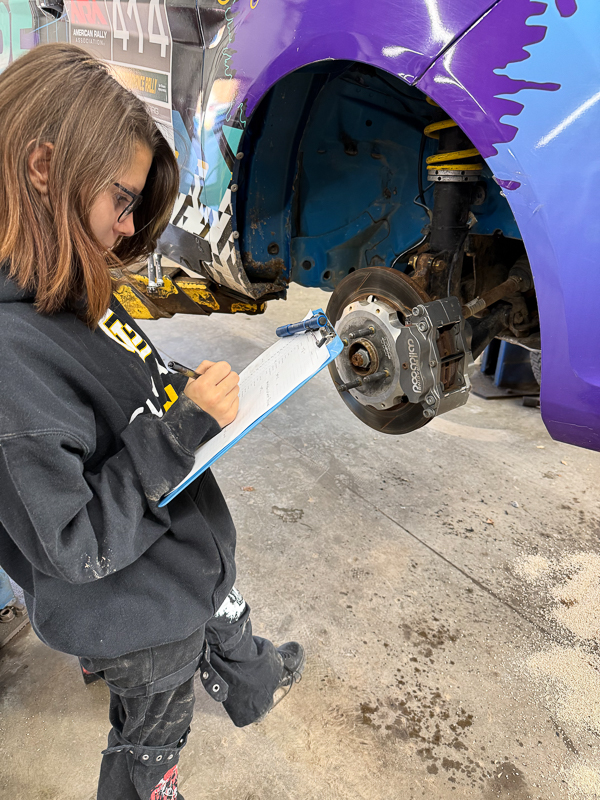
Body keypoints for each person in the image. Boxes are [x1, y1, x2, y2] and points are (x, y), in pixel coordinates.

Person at [0, 44, 304, 800]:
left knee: (217, 585)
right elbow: (75, 545)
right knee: (151, 735)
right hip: (137, 614)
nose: (127, 228)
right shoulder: (10, 363)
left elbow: (123, 375)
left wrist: (178, 388)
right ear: (43, 168)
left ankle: (251, 679)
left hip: (175, 556)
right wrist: (175, 433)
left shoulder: (62, 279)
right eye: (122, 200)